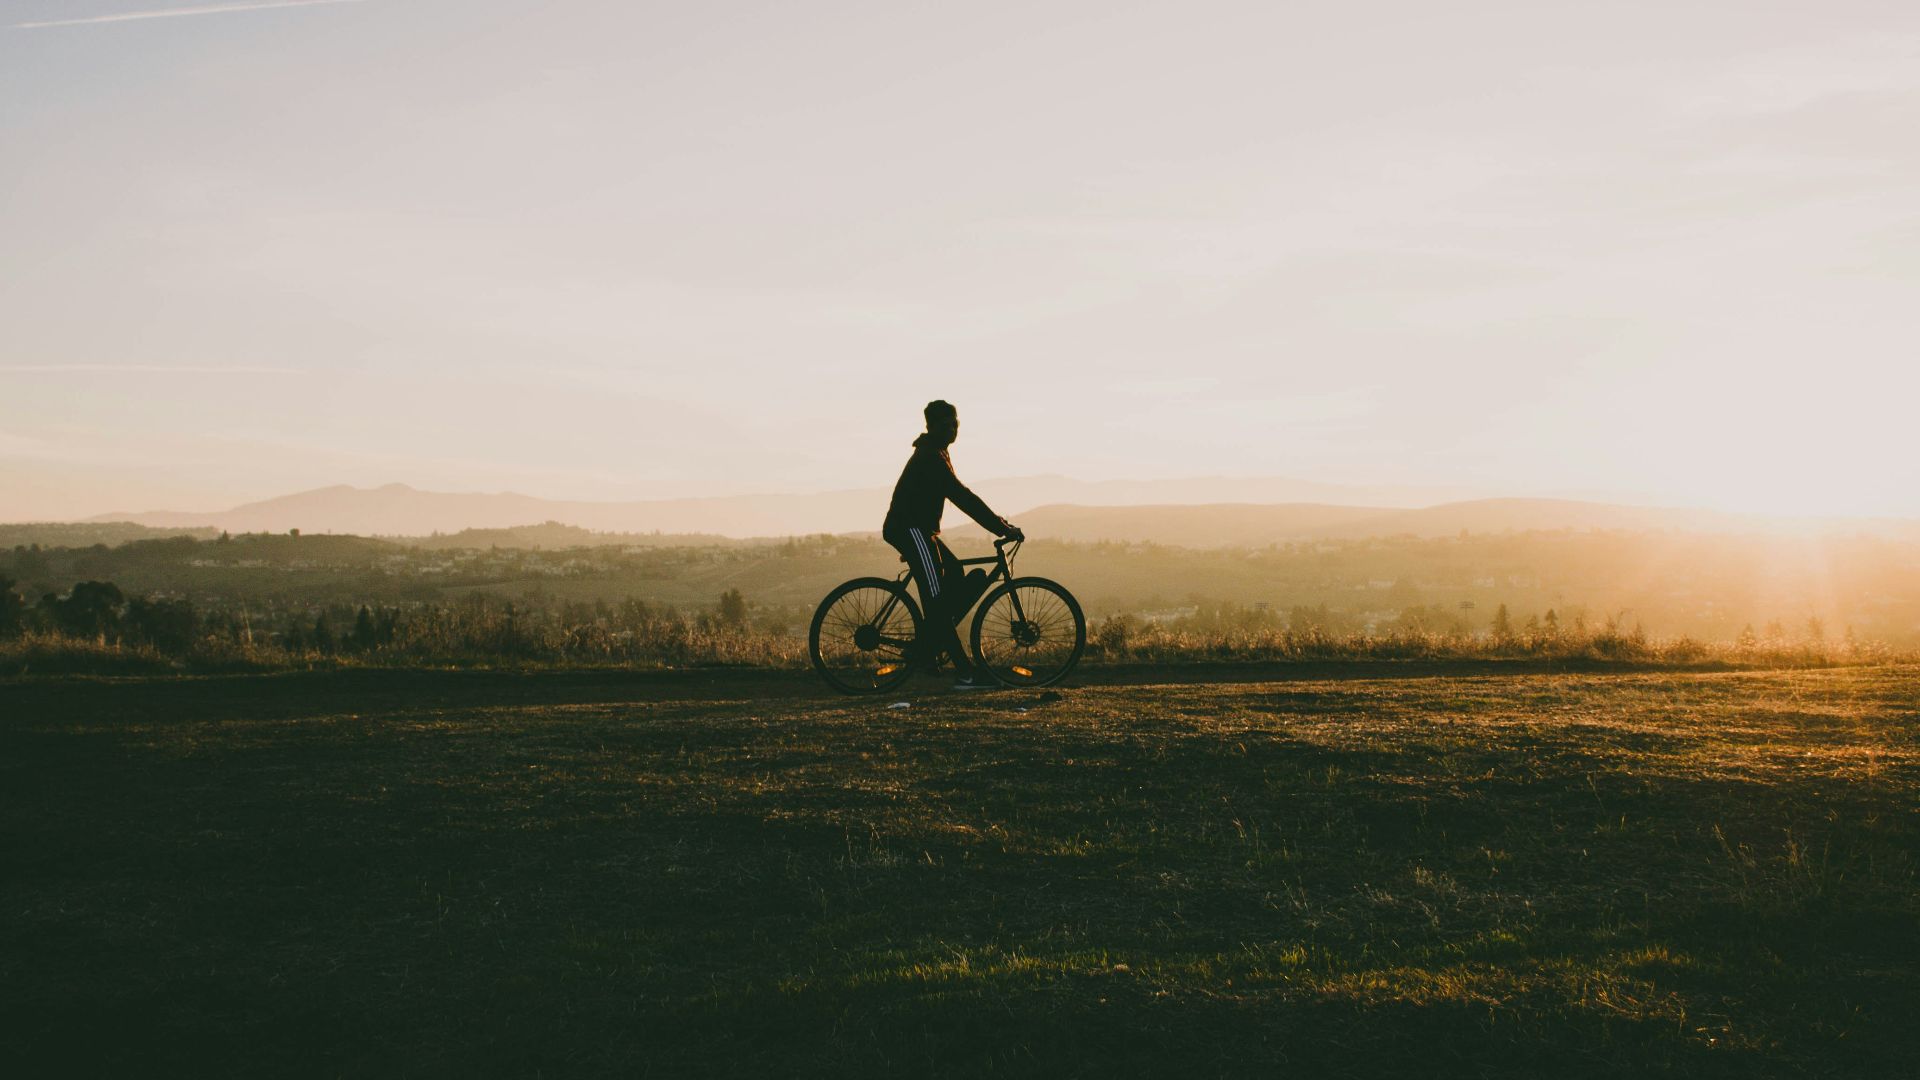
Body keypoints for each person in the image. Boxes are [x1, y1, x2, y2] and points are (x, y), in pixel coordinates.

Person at [883, 400, 1023, 690]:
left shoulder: (937, 452)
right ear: (931, 427)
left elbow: (960, 495)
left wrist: (1000, 525)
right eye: (946, 424)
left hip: (921, 532)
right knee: (936, 601)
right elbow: (962, 497)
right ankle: (965, 673)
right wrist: (1001, 527)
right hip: (911, 531)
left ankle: (928, 645)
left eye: (955, 422)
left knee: (956, 573)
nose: (952, 428)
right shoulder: (931, 457)